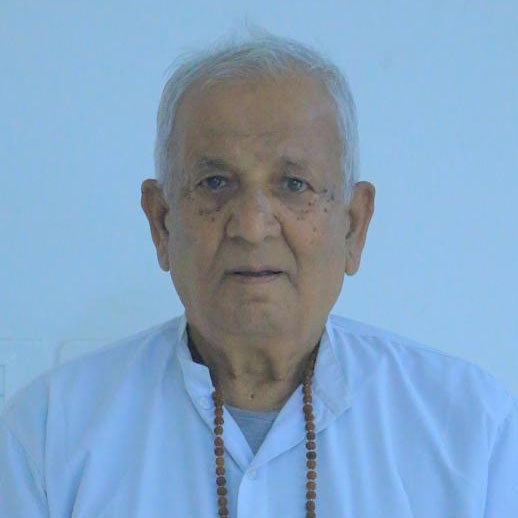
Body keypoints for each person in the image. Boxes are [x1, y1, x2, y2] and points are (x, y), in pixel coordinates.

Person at [1, 29, 517, 518]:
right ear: (161, 222)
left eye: (293, 184)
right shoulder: (48, 435)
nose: (251, 226)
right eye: (215, 182)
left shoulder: (473, 432)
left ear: (353, 227)